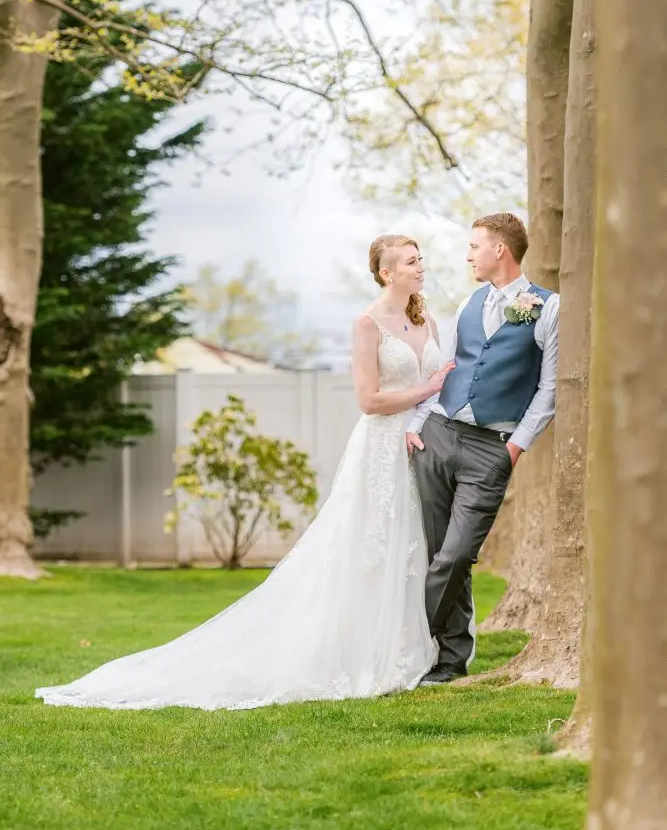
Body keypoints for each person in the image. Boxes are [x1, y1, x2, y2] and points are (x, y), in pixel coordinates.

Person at [36, 235, 454, 711]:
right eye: (410, 261)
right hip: (380, 447)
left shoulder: (428, 321)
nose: (421, 267)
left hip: (421, 445)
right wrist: (425, 390)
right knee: (371, 545)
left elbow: (440, 387)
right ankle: (361, 652)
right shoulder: (367, 324)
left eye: (421, 259)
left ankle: (411, 648)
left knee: (412, 546)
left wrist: (428, 407)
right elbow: (369, 400)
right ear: (386, 272)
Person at [406, 213, 559, 685]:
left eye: (475, 246)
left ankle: (407, 641)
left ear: (501, 251)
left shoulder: (549, 308)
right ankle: (448, 661)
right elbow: (448, 370)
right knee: (437, 552)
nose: (468, 255)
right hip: (438, 434)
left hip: (490, 448)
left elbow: (549, 390)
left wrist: (513, 448)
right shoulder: (470, 302)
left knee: (456, 556)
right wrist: (418, 423)